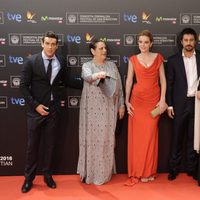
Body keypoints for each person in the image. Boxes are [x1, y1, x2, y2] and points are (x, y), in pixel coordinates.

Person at [20, 31, 67, 193]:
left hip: (53, 110)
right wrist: (36, 106)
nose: (50, 47)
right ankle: (28, 179)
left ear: (57, 45)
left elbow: (65, 81)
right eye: (47, 43)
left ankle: (47, 175)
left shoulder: (60, 60)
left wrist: (90, 80)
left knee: (49, 146)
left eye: (53, 44)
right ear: (42, 43)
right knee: (32, 146)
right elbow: (23, 87)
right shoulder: (31, 61)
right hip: (35, 111)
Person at [77, 39, 125, 185]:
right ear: (93, 51)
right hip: (90, 111)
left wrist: (121, 105)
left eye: (105, 48)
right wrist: (98, 75)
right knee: (91, 141)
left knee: (106, 140)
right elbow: (86, 77)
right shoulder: (87, 66)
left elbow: (119, 87)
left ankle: (104, 173)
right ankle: (90, 173)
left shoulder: (111, 65)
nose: (104, 50)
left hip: (109, 109)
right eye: (101, 48)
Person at [125, 30, 167, 186]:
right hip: (137, 102)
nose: (143, 45)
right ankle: (138, 172)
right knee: (138, 140)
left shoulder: (158, 58)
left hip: (153, 102)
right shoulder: (133, 59)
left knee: (150, 138)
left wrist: (162, 100)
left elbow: (163, 81)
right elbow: (129, 81)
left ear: (151, 43)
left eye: (146, 42)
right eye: (140, 42)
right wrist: (126, 101)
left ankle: (148, 171)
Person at [166, 28, 200, 181]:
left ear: (195, 41)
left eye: (191, 40)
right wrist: (170, 105)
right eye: (186, 40)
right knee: (177, 137)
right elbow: (170, 84)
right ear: (181, 42)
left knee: (194, 138)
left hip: (197, 103)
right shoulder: (173, 60)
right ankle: (173, 169)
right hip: (179, 104)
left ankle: (192, 170)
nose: (188, 43)